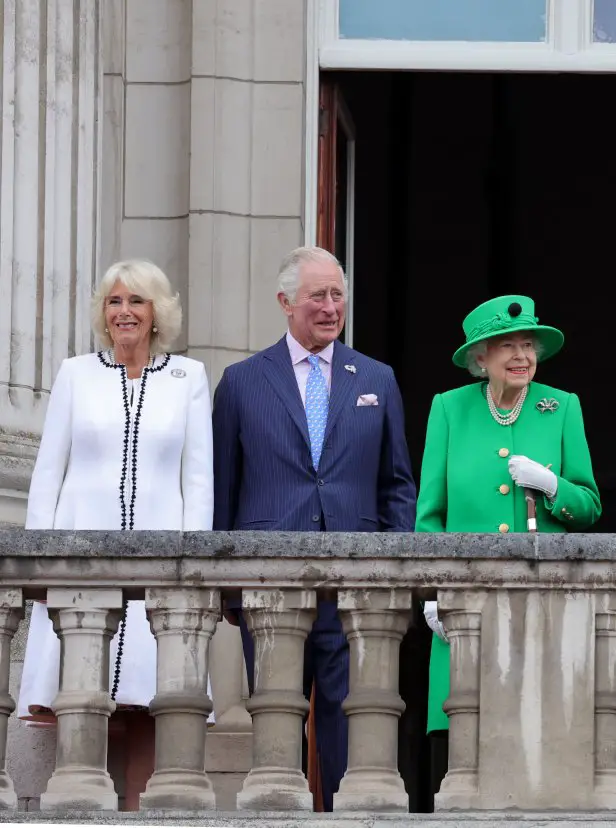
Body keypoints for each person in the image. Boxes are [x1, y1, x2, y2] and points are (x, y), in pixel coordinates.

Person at [212, 246, 416, 811]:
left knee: (350, 724)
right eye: (317, 297)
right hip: (271, 584)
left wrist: (395, 569)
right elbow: (223, 491)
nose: (330, 308)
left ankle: (344, 821)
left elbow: (397, 482)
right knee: (277, 722)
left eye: (337, 296)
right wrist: (226, 586)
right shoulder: (242, 382)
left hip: (355, 587)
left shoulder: (377, 378)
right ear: (285, 303)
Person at [20, 260, 213, 810]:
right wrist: (39, 564)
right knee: (79, 703)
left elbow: (197, 481)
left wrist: (194, 572)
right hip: (80, 568)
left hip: (160, 571)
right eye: (114, 301)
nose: (124, 311)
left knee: (153, 705)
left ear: (157, 314)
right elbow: (47, 475)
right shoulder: (76, 374)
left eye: (136, 301)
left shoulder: (188, 378)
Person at [417, 295, 601, 790]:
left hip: (540, 603)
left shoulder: (560, 407)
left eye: (528, 344)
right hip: (466, 606)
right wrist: (433, 590)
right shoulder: (449, 409)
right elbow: (429, 515)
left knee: (538, 742)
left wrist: (551, 485)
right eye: (507, 346)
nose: (521, 355)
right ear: (481, 358)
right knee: (461, 743)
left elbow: (588, 506)